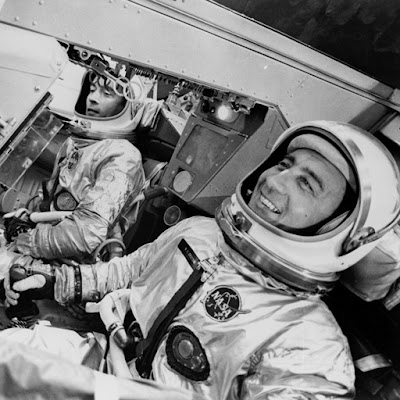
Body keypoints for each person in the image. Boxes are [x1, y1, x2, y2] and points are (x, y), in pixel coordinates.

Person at [1, 121, 400, 400]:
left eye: (306, 184)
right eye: (284, 164)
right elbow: (127, 272)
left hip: (115, 389)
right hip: (105, 360)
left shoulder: (309, 344)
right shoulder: (200, 233)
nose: (274, 182)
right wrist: (53, 282)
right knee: (10, 353)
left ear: (341, 227)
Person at [2, 67, 161, 264]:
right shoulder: (75, 143)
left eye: (107, 94)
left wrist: (27, 242)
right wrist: (24, 215)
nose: (92, 98)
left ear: (128, 107)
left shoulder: (123, 157)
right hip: (42, 242)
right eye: (92, 89)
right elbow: (50, 200)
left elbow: (87, 233)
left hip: (75, 263)